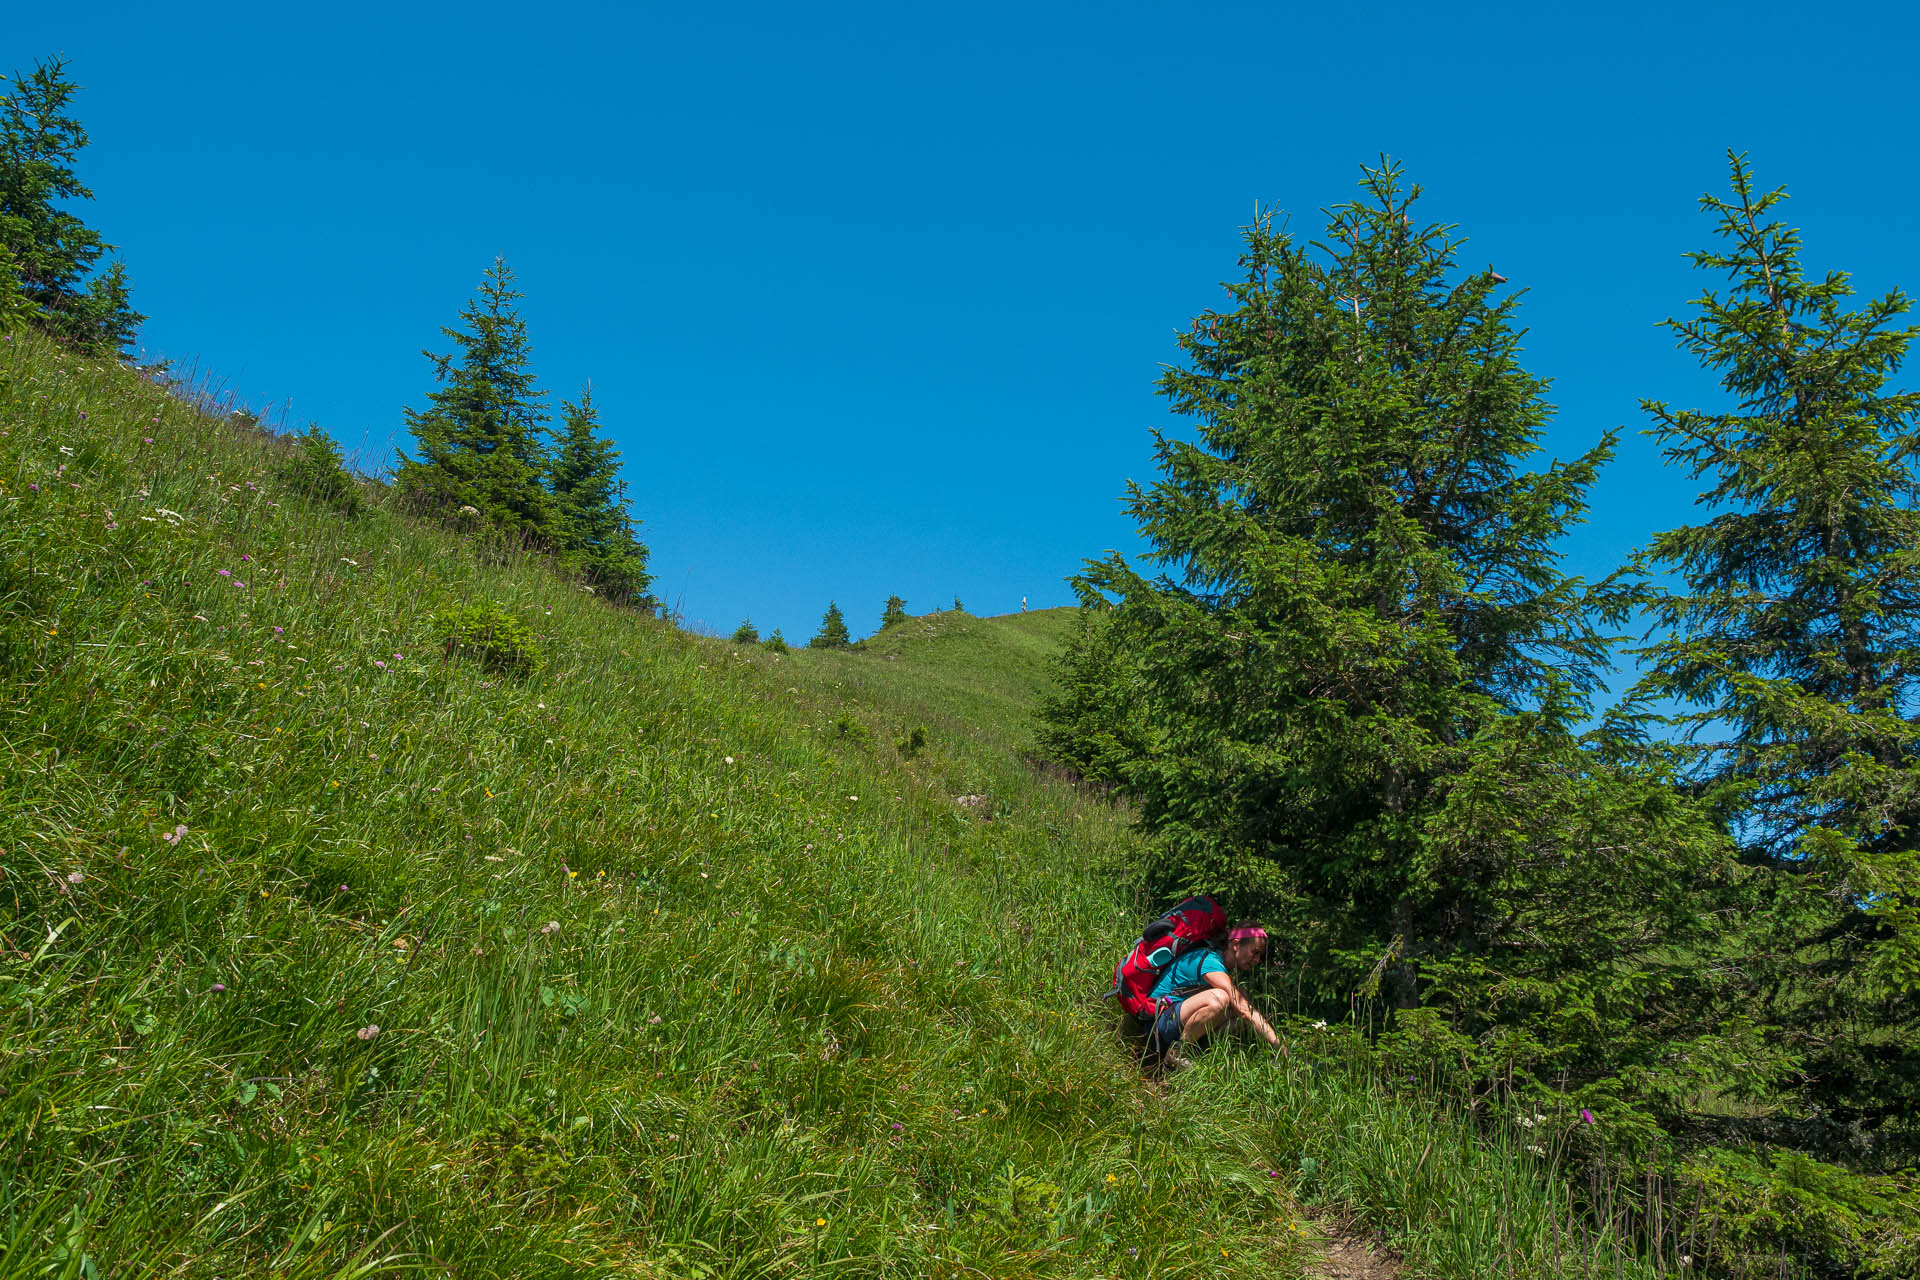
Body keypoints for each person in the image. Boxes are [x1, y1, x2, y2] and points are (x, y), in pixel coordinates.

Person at [1146, 924, 1282, 1065]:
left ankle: (1200, 1056)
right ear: (1236, 945)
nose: (1257, 960)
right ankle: (1177, 1054)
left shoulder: (1218, 962)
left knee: (1240, 1004)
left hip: (1175, 1020)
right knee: (1220, 998)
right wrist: (1278, 1044)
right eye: (1255, 952)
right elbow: (1244, 1008)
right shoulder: (1209, 961)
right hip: (1159, 1023)